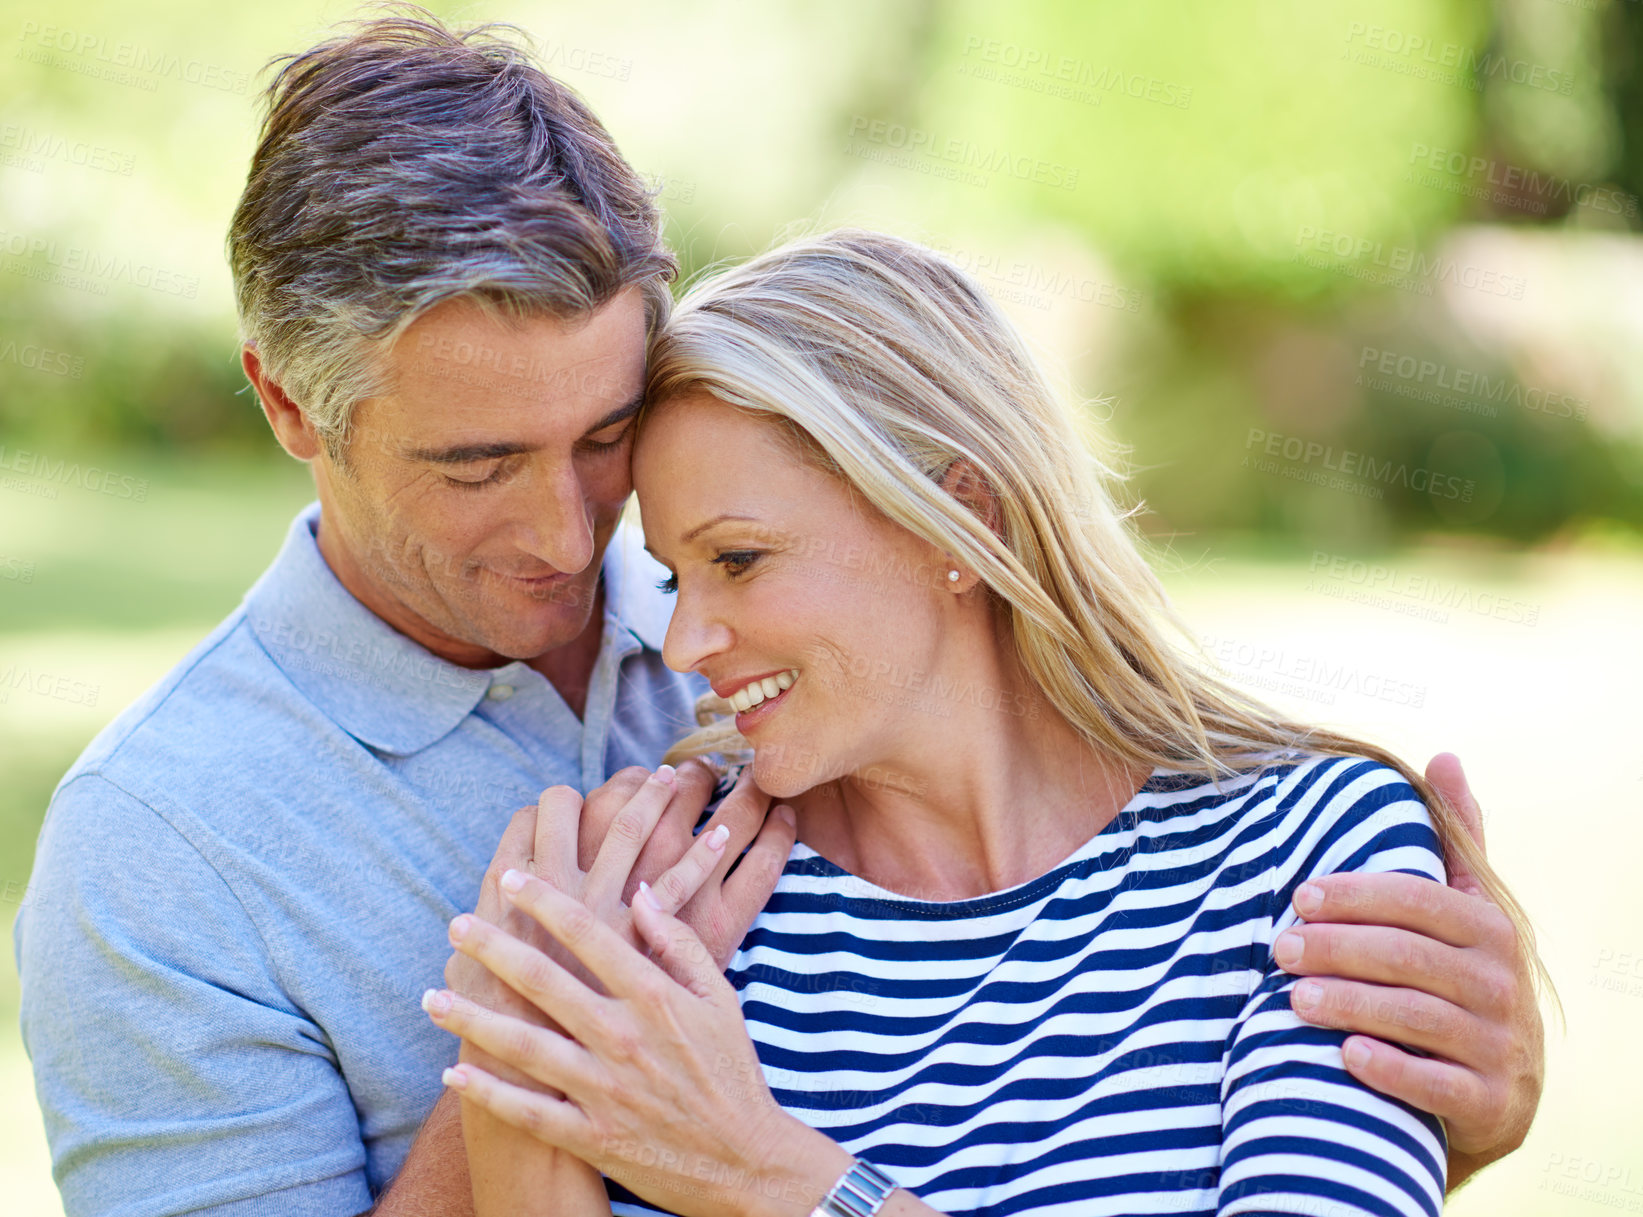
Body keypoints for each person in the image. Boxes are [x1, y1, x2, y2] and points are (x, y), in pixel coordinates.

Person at [10, 13, 1539, 1217]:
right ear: (289, 402)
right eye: (475, 464)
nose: (573, 538)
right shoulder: (156, 849)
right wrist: (550, 1046)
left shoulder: (820, 700)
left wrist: (1421, 1114)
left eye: (604, 438)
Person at [425, 229, 1554, 1217]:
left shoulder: (1299, 858)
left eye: (739, 558)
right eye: (676, 579)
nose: (682, 648)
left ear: (957, 514)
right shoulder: (672, 898)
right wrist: (519, 1042)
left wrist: (771, 1177)